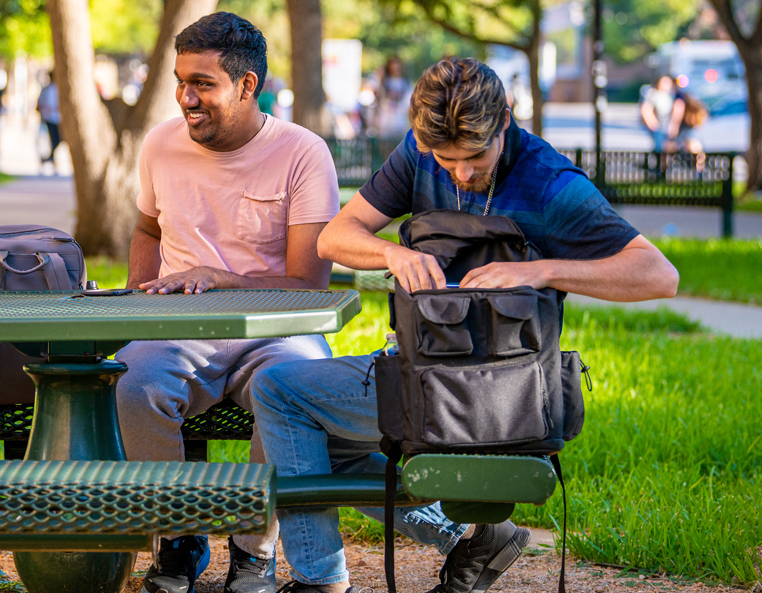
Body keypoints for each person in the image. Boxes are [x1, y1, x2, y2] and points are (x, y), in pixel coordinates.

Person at [251, 57, 679, 593]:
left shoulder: (549, 183)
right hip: (423, 376)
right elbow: (335, 237)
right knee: (311, 438)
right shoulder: (417, 154)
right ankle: (469, 538)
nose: (461, 173)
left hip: (505, 394)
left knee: (278, 392)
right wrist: (392, 255)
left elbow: (659, 276)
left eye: (474, 157)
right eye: (445, 159)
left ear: (504, 120)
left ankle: (320, 581)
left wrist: (540, 268)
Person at [116, 12, 341, 593]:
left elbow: (310, 284)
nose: (186, 99)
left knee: (299, 385)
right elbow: (147, 229)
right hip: (177, 324)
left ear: (248, 86)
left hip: (277, 329)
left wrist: (222, 277)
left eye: (203, 84)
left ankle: (252, 547)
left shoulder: (303, 153)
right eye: (180, 81)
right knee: (132, 385)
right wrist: (143, 297)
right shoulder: (162, 144)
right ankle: (178, 538)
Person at [640, 75, 685, 154]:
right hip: (659, 126)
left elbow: (678, 108)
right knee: (660, 148)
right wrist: (653, 124)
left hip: (669, 125)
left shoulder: (673, 95)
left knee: (672, 147)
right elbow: (646, 110)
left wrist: (674, 124)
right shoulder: (653, 94)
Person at [36, 70, 63, 171]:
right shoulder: (46, 90)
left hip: (58, 118)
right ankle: (51, 158)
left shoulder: (59, 89)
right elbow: (38, 104)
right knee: (53, 139)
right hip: (49, 118)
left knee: (58, 140)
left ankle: (49, 158)